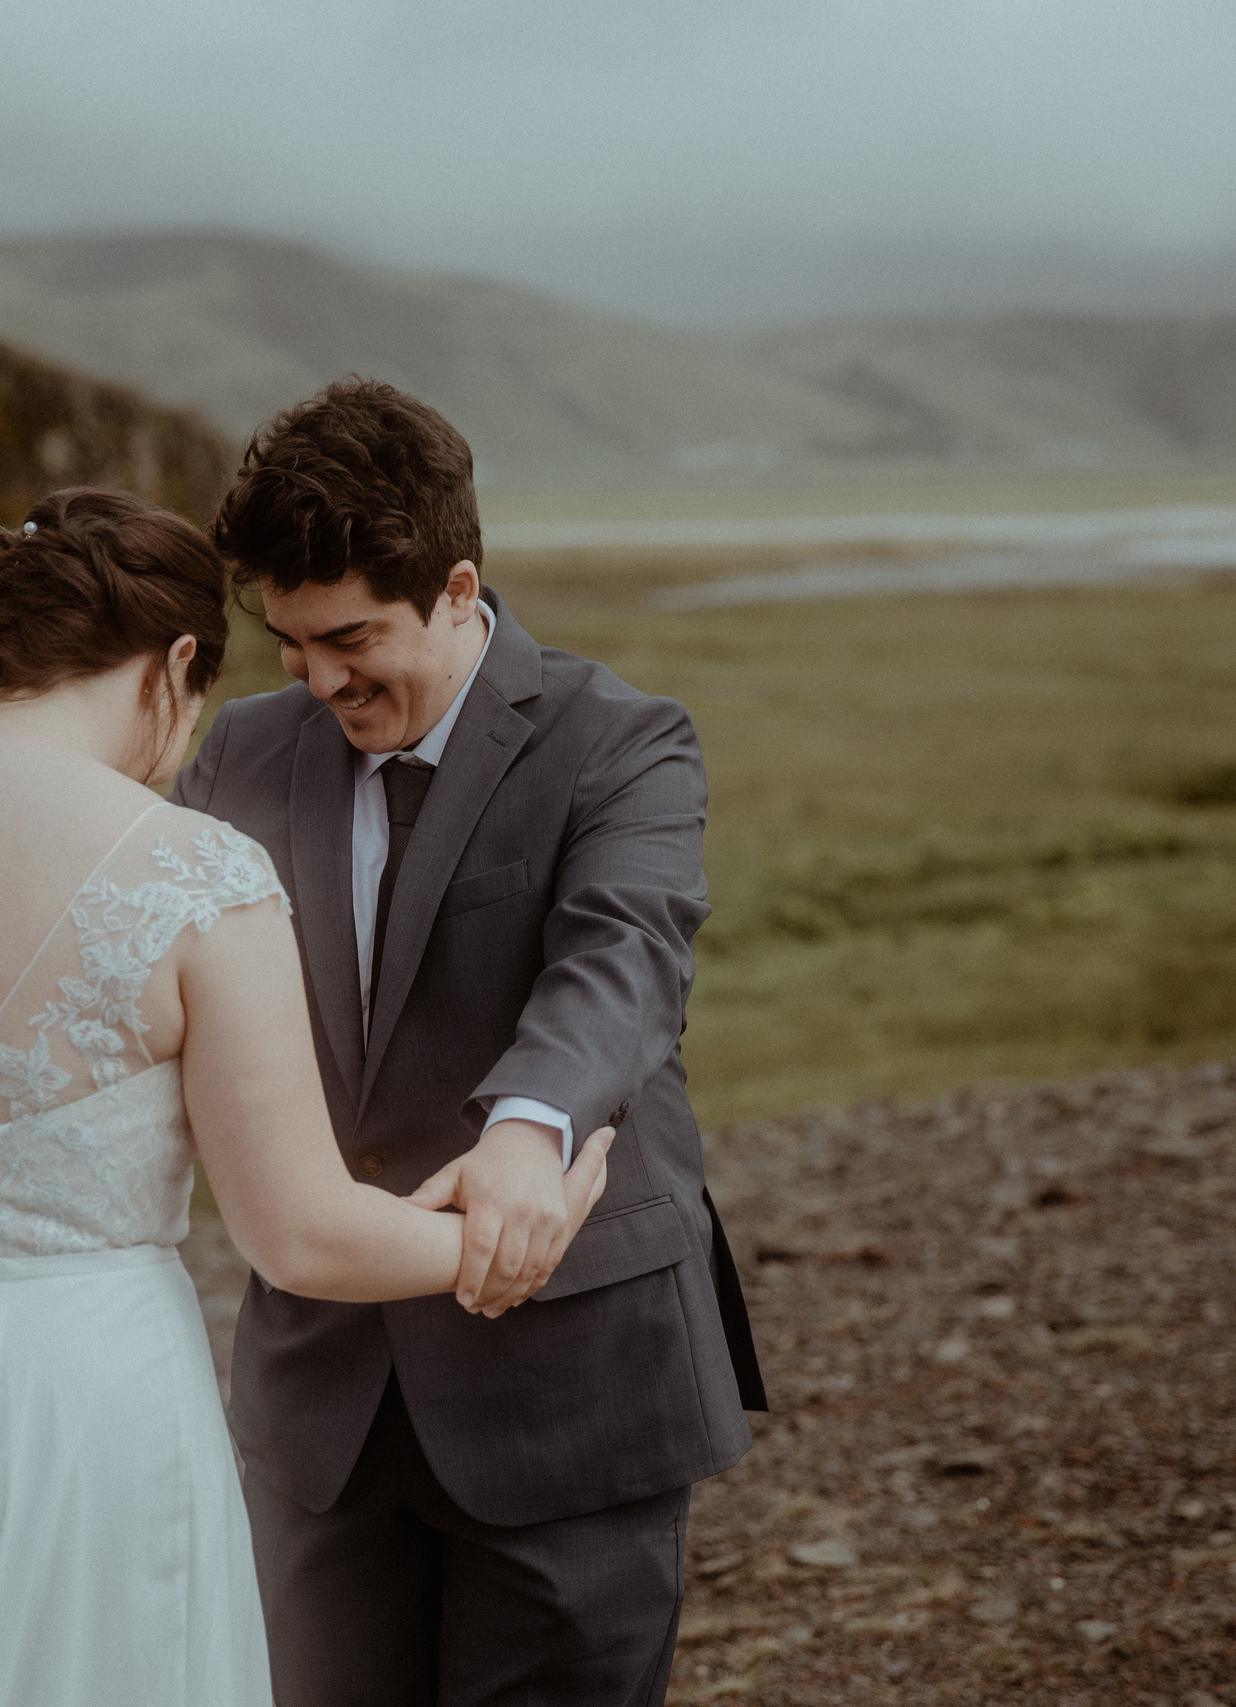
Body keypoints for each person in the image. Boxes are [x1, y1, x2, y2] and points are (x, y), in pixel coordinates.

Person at [0, 486, 615, 1707]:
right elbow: (298, 1233)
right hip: (67, 1400)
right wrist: (504, 1240)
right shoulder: (186, 871)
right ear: (176, 664)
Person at [171, 379, 769, 1707]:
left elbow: (625, 957)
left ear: (455, 586)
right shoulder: (242, 757)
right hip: (318, 1405)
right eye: (286, 640)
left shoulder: (622, 739)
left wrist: (523, 1129)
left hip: (572, 1388)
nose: (319, 678)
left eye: (350, 636)